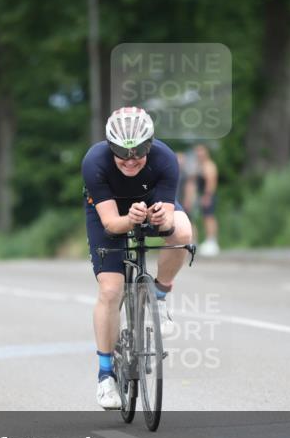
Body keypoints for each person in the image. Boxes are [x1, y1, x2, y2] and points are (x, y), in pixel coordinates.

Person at [82, 107, 193, 409]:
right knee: (110, 290)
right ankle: (106, 375)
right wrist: (130, 220)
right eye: (122, 154)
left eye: (138, 154)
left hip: (151, 198)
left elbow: (170, 223)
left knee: (183, 233)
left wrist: (162, 219)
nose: (130, 161)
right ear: (110, 148)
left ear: (150, 146)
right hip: (109, 211)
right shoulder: (95, 161)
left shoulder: (165, 158)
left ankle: (159, 294)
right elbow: (110, 224)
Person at [192, 144, 219, 256]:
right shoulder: (199, 165)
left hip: (207, 195)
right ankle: (202, 241)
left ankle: (212, 241)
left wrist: (207, 196)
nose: (199, 154)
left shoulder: (209, 165)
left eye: (201, 151)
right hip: (201, 195)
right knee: (203, 217)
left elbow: (211, 182)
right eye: (197, 151)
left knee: (209, 217)